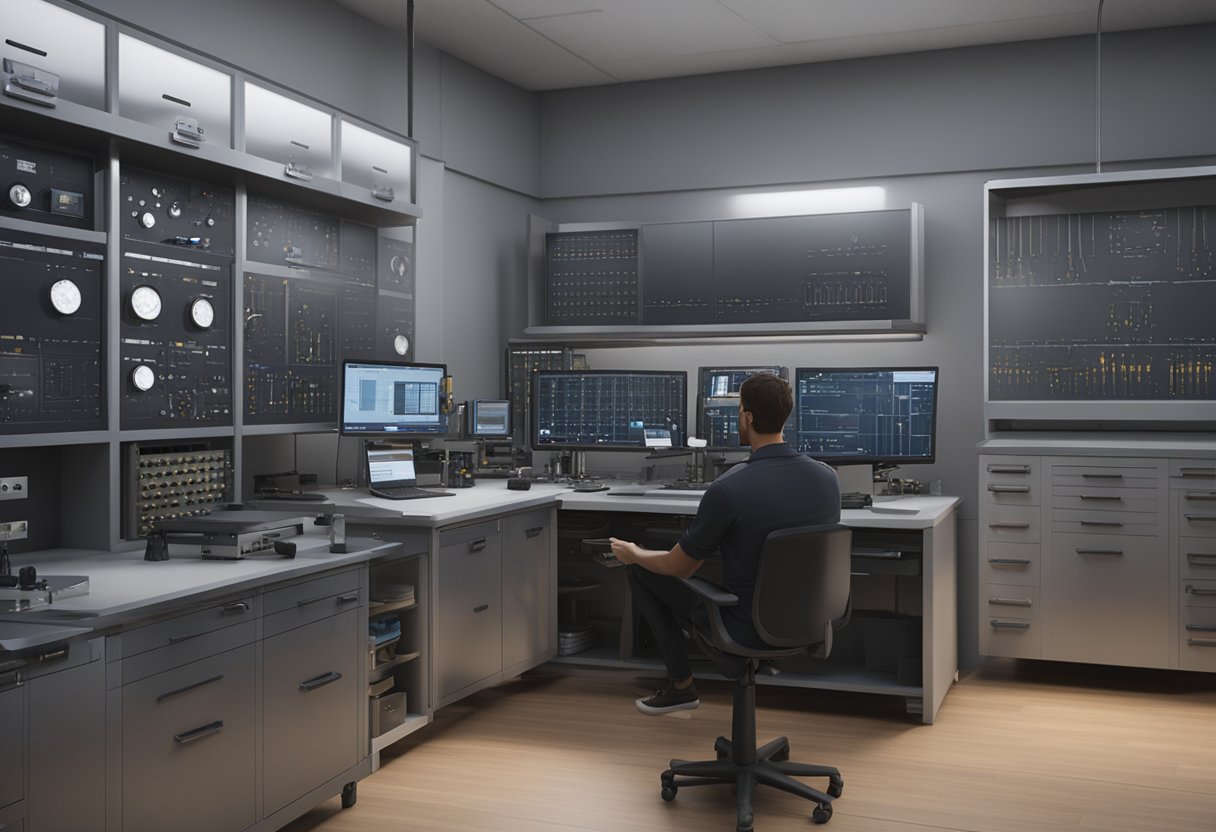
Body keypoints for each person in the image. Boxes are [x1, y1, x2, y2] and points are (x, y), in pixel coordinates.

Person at [610, 372, 841, 714]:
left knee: (642, 572)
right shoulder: (827, 478)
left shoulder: (729, 489)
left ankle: (682, 686)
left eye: (739, 411)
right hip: (812, 621)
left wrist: (634, 553)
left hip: (746, 627)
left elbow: (678, 567)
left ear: (747, 416)